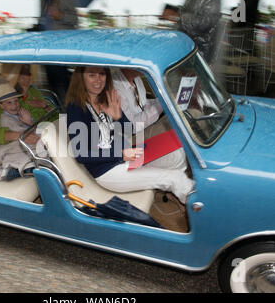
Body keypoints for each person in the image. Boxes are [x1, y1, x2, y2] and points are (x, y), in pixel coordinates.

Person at [66, 67, 194, 204]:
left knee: (176, 155)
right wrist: (120, 154)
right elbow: (81, 155)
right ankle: (200, 209)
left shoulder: (105, 99)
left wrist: (117, 117)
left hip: (127, 157)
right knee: (175, 178)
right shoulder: (76, 109)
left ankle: (177, 197)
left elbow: (127, 131)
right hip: (108, 171)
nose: (98, 80)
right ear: (81, 78)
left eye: (102, 74)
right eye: (92, 75)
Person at [0, 65, 57, 145]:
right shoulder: (10, 100)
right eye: (22, 77)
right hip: (38, 137)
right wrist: (20, 136)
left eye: (28, 75)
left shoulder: (33, 91)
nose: (27, 81)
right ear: (15, 79)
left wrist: (45, 106)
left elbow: (56, 115)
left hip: (50, 129)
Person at [0, 83, 47, 181]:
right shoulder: (5, 119)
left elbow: (33, 129)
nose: (14, 105)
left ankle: (29, 166)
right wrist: (30, 124)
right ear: (1, 105)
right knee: (30, 151)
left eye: (16, 101)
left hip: (25, 144)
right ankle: (14, 171)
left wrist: (29, 122)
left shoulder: (22, 112)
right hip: (15, 146)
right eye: (9, 103)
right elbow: (25, 134)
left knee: (42, 146)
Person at [38, 0, 78, 101]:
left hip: (61, 46)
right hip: (47, 46)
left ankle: (68, 111)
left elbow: (75, 19)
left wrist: (60, 16)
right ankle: (58, 110)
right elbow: (43, 20)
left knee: (62, 82)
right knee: (52, 83)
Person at [112, 68, 168, 138]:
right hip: (129, 138)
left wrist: (165, 100)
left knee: (170, 124)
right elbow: (132, 127)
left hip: (143, 129)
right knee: (168, 129)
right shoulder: (115, 88)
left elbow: (143, 103)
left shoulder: (137, 78)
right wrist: (162, 104)